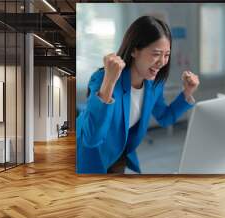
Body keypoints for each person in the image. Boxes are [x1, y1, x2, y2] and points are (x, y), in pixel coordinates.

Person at [76, 16, 200, 174]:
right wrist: (109, 81)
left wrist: (187, 92)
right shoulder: (103, 78)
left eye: (166, 55)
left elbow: (164, 117)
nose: (162, 62)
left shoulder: (154, 84)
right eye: (156, 53)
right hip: (88, 155)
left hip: (118, 154)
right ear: (134, 50)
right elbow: (91, 137)